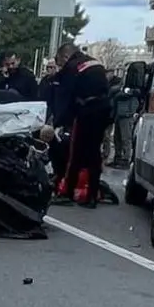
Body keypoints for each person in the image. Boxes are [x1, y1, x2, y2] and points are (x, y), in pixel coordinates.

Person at [49, 42, 112, 208]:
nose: (60, 67)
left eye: (59, 63)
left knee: (75, 153)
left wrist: (58, 123)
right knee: (94, 154)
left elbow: (65, 98)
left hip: (86, 111)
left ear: (65, 56)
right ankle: (91, 195)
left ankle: (67, 193)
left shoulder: (72, 67)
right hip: (104, 109)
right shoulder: (95, 63)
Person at [108, 75, 143, 169]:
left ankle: (126, 159)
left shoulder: (133, 90)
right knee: (117, 138)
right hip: (119, 115)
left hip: (126, 116)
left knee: (125, 138)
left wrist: (130, 112)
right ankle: (118, 157)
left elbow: (132, 98)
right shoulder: (123, 89)